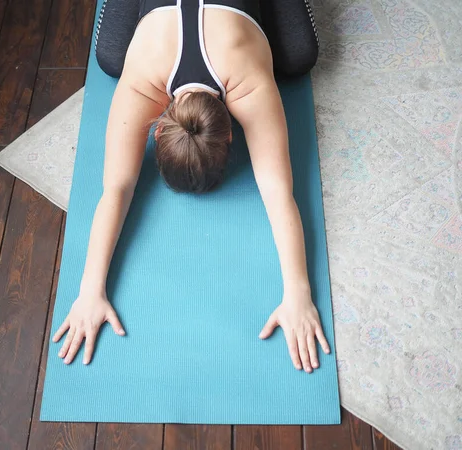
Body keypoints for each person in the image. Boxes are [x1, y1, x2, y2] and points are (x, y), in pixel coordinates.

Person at [52, 0, 331, 373]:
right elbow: (117, 189)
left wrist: (299, 294)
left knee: (300, 56)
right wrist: (88, 291)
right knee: (111, 58)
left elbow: (116, 189)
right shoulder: (147, 83)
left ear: (156, 127)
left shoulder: (246, 83)